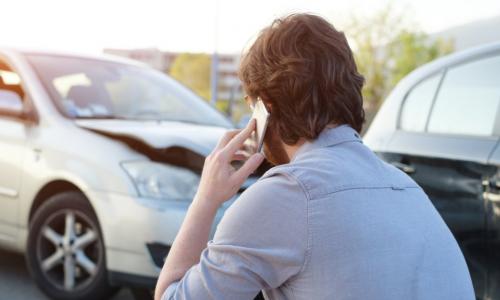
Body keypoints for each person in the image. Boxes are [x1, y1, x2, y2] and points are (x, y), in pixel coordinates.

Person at [154, 13, 475, 300]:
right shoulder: (405, 187)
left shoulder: (287, 194)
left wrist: (206, 198)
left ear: (266, 107)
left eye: (251, 105)